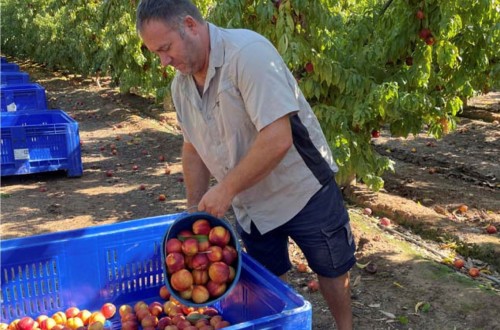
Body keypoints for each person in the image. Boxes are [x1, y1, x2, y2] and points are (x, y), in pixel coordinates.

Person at [136, 1, 357, 328]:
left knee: (332, 270)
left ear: (190, 25)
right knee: (268, 279)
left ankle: (345, 326)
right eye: (156, 53)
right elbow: (193, 148)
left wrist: (225, 189)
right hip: (250, 203)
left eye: (166, 48)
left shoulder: (248, 54)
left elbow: (277, 138)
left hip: (300, 189)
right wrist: (195, 206)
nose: (164, 61)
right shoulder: (181, 87)